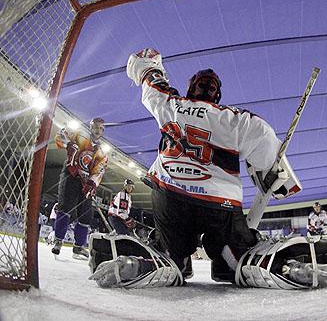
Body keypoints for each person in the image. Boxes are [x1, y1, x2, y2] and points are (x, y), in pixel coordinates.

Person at [122, 48, 288, 282]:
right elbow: (266, 146)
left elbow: (150, 79)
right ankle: (234, 261)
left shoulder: (172, 104)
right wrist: (277, 174)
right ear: (217, 94)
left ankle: (172, 257)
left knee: (171, 253)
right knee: (239, 256)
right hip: (220, 202)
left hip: (171, 194)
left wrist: (149, 65)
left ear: (192, 88)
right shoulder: (237, 118)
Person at [51, 118, 108, 259]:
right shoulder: (78, 134)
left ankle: (78, 247)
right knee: (65, 207)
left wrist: (92, 183)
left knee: (86, 214)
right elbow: (59, 136)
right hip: (70, 174)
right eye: (95, 126)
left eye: (101, 128)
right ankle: (58, 240)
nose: (97, 130)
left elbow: (99, 170)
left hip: (85, 183)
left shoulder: (102, 152)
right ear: (90, 126)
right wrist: (68, 143)